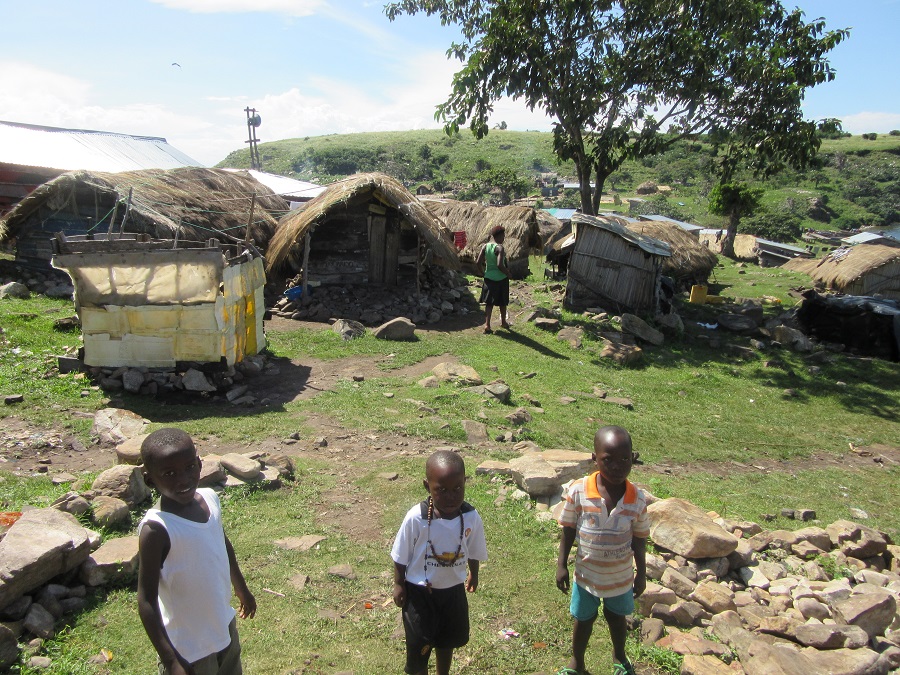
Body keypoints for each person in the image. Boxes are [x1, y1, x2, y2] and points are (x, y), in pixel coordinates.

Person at [137, 428, 256, 675]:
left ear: (200, 464)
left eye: (190, 467)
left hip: (223, 627)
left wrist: (241, 587)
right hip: (188, 651)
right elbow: (146, 601)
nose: (183, 479)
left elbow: (222, 544)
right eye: (169, 473)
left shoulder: (210, 499)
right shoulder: (157, 530)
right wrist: (171, 661)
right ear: (150, 480)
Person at [555, 426, 649, 675]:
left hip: (620, 577)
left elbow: (639, 539)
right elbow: (568, 528)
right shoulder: (579, 490)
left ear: (633, 458)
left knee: (616, 618)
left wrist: (641, 573)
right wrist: (561, 564)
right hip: (586, 575)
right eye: (608, 460)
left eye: (624, 460)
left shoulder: (636, 498)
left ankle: (620, 658)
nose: (617, 467)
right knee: (583, 620)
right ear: (594, 458)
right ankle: (577, 663)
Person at [391, 450, 488, 675]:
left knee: (447, 640)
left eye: (457, 489)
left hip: (453, 591)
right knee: (420, 644)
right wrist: (398, 583)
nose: (451, 497)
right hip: (419, 593)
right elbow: (400, 553)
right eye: (441, 490)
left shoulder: (471, 517)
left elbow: (474, 550)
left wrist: (474, 573)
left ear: (465, 483)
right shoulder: (417, 517)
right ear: (427, 487)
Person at [475, 225, 511, 334]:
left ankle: (487, 325)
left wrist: (483, 273)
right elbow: (500, 265)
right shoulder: (499, 248)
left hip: (489, 278)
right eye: (503, 235)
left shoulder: (485, 246)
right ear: (499, 236)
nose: (504, 238)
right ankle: (504, 322)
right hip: (501, 279)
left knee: (489, 303)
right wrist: (508, 273)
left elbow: (478, 262)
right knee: (502, 302)